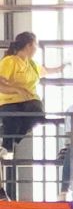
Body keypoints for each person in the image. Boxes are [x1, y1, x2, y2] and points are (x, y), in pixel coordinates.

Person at [0, 31, 43, 166]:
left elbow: (45, 70)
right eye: (35, 45)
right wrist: (17, 89)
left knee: (36, 115)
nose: (36, 48)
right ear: (29, 45)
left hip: (28, 101)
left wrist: (61, 68)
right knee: (13, 121)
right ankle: (7, 146)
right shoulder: (10, 61)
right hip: (9, 101)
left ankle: (10, 140)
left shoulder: (32, 64)